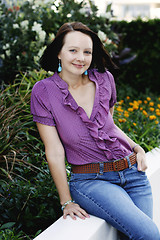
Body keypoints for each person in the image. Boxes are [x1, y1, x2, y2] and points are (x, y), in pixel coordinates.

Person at [30, 22, 160, 239]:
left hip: (133, 174)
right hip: (92, 180)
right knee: (149, 234)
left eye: (87, 52)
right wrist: (66, 201)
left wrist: (137, 148)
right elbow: (54, 151)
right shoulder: (44, 92)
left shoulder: (105, 79)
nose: (81, 57)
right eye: (73, 50)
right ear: (58, 53)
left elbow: (109, 126)